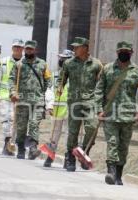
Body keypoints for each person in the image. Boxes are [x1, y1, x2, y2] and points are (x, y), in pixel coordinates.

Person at [95, 41, 138, 185]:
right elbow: (99, 90)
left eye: (126, 51)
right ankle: (111, 173)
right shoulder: (107, 69)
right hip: (110, 114)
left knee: (123, 146)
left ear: (131, 53)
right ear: (117, 53)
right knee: (112, 143)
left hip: (128, 115)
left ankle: (119, 174)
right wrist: (99, 110)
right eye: (121, 51)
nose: (123, 53)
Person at [57, 37, 103, 172]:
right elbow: (62, 79)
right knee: (73, 131)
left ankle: (84, 151)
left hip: (90, 101)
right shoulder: (69, 63)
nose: (74, 49)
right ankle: (70, 157)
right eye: (74, 47)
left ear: (85, 48)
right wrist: (60, 87)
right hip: (74, 101)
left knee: (92, 127)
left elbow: (101, 83)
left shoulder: (97, 64)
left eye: (77, 47)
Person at [9, 40, 52, 160]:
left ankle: (33, 148)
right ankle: (21, 148)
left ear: (35, 50)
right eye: (27, 49)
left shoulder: (43, 64)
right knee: (21, 126)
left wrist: (48, 101)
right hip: (22, 101)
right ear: (24, 50)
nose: (29, 51)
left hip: (37, 101)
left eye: (31, 49)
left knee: (34, 124)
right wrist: (13, 92)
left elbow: (49, 82)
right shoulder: (19, 64)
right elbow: (11, 79)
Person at [0, 39, 24, 156]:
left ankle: (12, 143)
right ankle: (7, 142)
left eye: (19, 47)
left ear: (23, 49)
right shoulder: (3, 62)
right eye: (15, 47)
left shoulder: (25, 63)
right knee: (7, 119)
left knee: (15, 122)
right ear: (12, 48)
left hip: (19, 98)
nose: (17, 49)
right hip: (5, 96)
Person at [43, 49, 73, 167]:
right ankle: (50, 156)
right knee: (54, 135)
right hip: (57, 109)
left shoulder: (75, 77)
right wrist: (49, 105)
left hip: (71, 110)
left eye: (64, 59)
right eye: (61, 59)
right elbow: (49, 91)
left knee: (69, 135)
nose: (62, 61)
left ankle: (68, 158)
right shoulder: (55, 75)